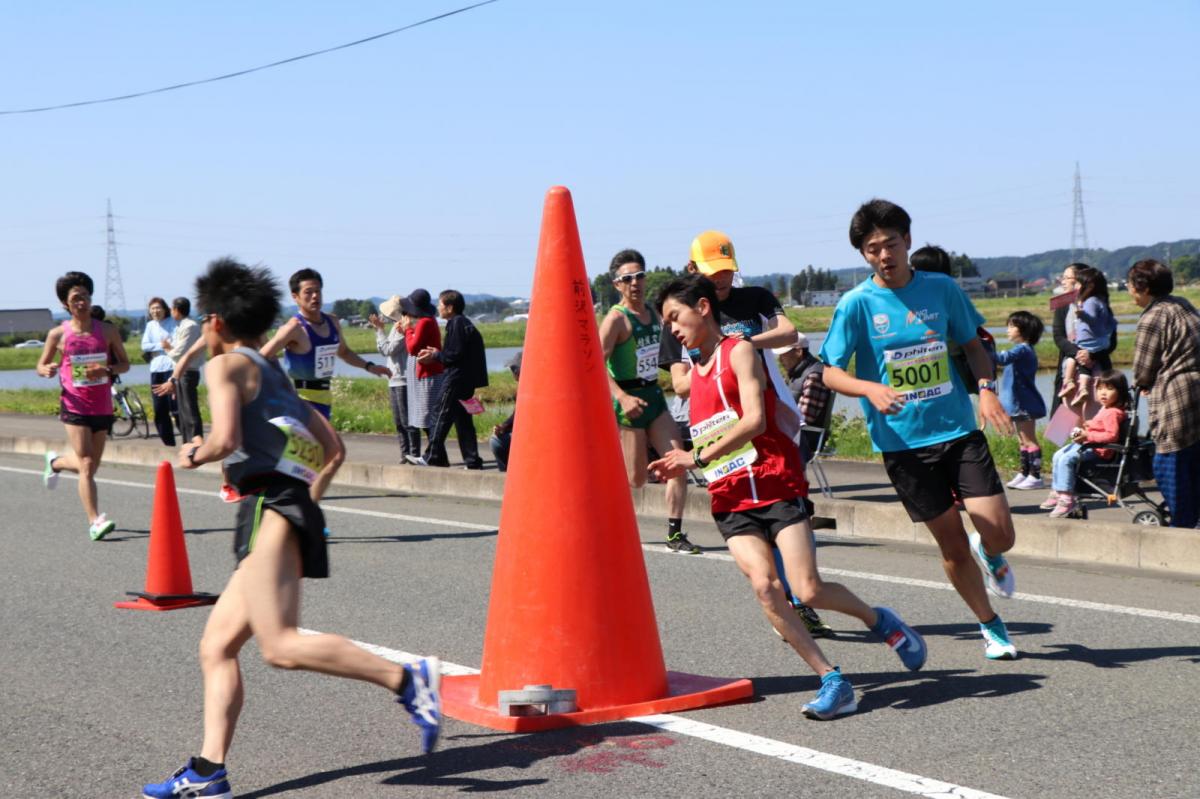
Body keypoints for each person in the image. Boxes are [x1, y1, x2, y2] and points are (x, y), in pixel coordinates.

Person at [141, 258, 440, 799]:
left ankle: (407, 679)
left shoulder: (226, 365)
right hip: (283, 505)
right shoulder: (272, 368)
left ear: (212, 321)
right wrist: (303, 500)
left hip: (268, 508)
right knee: (217, 646)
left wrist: (194, 452)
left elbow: (226, 438)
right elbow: (333, 448)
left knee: (278, 646)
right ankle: (209, 772)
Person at [649, 274, 926, 721]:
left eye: (675, 317)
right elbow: (695, 419)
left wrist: (695, 456)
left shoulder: (738, 351)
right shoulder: (692, 376)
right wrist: (678, 457)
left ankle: (880, 620)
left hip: (775, 482)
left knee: (808, 589)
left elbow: (756, 420)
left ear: (703, 307)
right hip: (730, 497)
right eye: (666, 323)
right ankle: (832, 679)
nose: (672, 329)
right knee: (765, 588)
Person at [819, 199, 1020, 660]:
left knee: (1001, 533)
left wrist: (986, 390)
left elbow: (972, 345)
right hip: (902, 443)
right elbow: (830, 371)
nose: (884, 254)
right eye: (872, 249)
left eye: (890, 243)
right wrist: (870, 389)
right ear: (864, 255)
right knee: (950, 542)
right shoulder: (856, 305)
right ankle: (990, 625)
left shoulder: (942, 288)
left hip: (956, 429)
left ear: (907, 241)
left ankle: (990, 553)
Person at [659, 230, 832, 635]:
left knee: (791, 511)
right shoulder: (681, 318)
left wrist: (739, 344)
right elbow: (681, 384)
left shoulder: (753, 298)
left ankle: (803, 595)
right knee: (753, 523)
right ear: (692, 270)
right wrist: (718, 356)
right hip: (720, 430)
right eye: (710, 273)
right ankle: (787, 600)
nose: (719, 280)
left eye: (725, 272)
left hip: (772, 420)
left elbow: (788, 333)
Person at [260, 268, 391, 501]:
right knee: (335, 454)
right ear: (295, 297)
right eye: (308, 292)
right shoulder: (294, 328)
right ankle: (306, 512)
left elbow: (344, 352)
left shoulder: (332, 323)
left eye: (318, 291)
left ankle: (291, 506)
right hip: (300, 403)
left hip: (324, 401)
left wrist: (370, 367)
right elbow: (262, 357)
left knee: (309, 462)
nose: (314, 297)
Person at [601, 249, 695, 554]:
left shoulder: (656, 314)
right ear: (617, 284)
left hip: (654, 395)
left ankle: (674, 533)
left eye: (640, 275)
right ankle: (609, 521)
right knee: (637, 479)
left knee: (677, 460)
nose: (635, 283)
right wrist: (622, 396)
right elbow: (594, 366)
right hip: (629, 402)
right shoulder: (616, 319)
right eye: (627, 278)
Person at [36, 271, 131, 540]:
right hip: (74, 405)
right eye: (76, 298)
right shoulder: (58, 334)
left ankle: (54, 463)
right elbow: (40, 364)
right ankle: (95, 521)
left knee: (90, 466)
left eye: (85, 297)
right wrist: (47, 370)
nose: (82, 302)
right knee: (87, 464)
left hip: (101, 406)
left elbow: (125, 363)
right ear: (66, 304)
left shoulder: (108, 330)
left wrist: (107, 369)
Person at [1128, 258, 1200, 528]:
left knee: (1170, 463)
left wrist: (1142, 384)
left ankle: (1181, 528)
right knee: (1194, 464)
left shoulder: (1153, 316)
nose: (1129, 290)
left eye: (1131, 284)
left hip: (1176, 395)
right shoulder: (1183, 304)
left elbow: (1143, 368)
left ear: (1143, 287)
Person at [411, 290, 487, 469]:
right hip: (465, 380)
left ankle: (432, 456)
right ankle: (472, 460)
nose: (438, 307)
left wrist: (436, 355)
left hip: (456, 379)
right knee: (463, 421)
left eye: (441, 304)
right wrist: (437, 355)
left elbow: (454, 354)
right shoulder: (462, 323)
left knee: (440, 414)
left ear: (450, 307)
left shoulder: (457, 323)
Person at [910, 244, 997, 395]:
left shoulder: (949, 295)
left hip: (953, 365)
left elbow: (970, 337)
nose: (910, 273)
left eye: (913, 269)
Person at [1041, 370, 1129, 518]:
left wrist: (1087, 434)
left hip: (1098, 450)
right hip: (1090, 444)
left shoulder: (1112, 412)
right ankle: (1057, 492)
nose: (1103, 393)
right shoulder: (1106, 408)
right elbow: (1099, 426)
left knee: (1066, 460)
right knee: (1057, 455)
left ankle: (1066, 498)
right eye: (1100, 389)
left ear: (1120, 392)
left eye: (1109, 389)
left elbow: (1111, 435)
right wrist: (1087, 427)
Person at [1050, 263, 1115, 415]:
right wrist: (1079, 353)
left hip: (1099, 366)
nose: (1063, 282)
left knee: (1096, 414)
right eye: (1063, 278)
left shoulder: (1100, 305)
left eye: (1068, 278)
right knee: (1065, 423)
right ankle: (1069, 438)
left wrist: (1091, 354)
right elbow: (1058, 336)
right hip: (1069, 367)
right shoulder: (1062, 304)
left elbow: (1111, 340)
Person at [994, 311, 1047, 490]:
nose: (1007, 330)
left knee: (1029, 439)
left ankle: (1035, 476)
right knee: (1022, 440)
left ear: (1024, 329)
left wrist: (981, 347)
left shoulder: (1022, 349)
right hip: (1018, 404)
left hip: (1024, 403)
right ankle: (1024, 472)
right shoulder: (1022, 349)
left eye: (1011, 326)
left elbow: (1001, 359)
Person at [772, 331, 832, 462]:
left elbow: (805, 417)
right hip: (798, 434)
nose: (780, 359)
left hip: (806, 437)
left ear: (798, 352)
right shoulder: (798, 374)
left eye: (784, 355)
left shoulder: (813, 376)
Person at [400, 289, 443, 456]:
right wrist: (408, 331)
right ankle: (435, 454)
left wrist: (407, 330)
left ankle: (435, 454)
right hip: (428, 373)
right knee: (427, 418)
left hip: (429, 374)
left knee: (427, 418)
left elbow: (412, 348)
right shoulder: (428, 320)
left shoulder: (425, 322)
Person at [371, 296, 414, 461]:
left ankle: (412, 453)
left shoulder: (402, 328)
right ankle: (405, 454)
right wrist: (380, 331)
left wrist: (379, 331)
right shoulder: (395, 328)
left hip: (403, 379)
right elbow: (384, 349)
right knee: (399, 421)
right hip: (394, 379)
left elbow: (389, 349)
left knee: (406, 421)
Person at [165, 297, 205, 442]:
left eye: (171, 308)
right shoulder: (182, 325)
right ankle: (188, 439)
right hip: (181, 370)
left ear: (176, 309)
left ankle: (195, 438)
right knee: (183, 409)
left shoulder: (190, 326)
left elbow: (180, 351)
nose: (170, 311)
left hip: (189, 371)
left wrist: (167, 349)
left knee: (189, 407)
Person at [142, 296, 180, 446]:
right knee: (159, 407)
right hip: (156, 368)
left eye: (158, 308)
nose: (155, 311)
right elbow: (145, 346)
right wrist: (162, 345)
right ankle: (168, 443)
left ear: (165, 309)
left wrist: (165, 346)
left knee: (175, 406)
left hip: (171, 367)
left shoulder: (173, 323)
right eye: (152, 309)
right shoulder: (150, 325)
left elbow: (176, 343)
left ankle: (186, 439)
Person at [490, 350, 521, 472]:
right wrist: (504, 426)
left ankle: (506, 474)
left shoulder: (525, 388)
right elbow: (517, 414)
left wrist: (505, 426)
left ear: (517, 372)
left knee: (496, 442)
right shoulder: (523, 387)